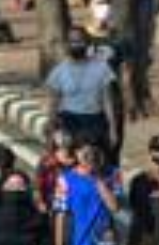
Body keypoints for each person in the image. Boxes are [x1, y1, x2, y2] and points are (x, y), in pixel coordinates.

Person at [44, 25, 121, 154]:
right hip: (68, 123)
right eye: (72, 41)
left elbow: (108, 102)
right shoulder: (58, 72)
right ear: (66, 44)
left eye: (80, 41)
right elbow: (53, 105)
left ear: (88, 43)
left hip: (95, 123)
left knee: (94, 160)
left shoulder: (102, 68)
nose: (75, 45)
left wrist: (113, 130)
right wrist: (50, 133)